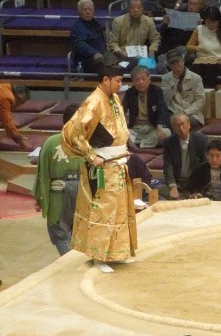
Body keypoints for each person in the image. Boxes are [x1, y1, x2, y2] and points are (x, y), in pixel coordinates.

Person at [61, 65, 137, 272]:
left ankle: (114, 252)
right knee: (103, 210)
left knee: (119, 209)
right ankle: (98, 255)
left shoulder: (114, 98)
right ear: (106, 79)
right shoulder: (93, 102)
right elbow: (74, 132)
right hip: (103, 165)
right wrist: (90, 155)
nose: (121, 84)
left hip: (118, 163)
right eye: (118, 80)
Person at [32, 102, 82, 255]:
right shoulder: (87, 143)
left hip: (57, 195)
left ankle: (71, 265)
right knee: (80, 232)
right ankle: (77, 263)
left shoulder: (50, 143)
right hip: (82, 194)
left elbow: (43, 174)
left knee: (60, 233)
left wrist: (40, 198)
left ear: (63, 122)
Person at [121, 65, 170, 149]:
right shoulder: (130, 92)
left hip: (152, 127)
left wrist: (159, 126)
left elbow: (162, 109)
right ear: (133, 81)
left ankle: (138, 145)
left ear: (149, 79)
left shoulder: (156, 91)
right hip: (136, 128)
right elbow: (122, 110)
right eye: (137, 80)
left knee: (166, 134)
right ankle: (146, 144)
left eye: (143, 79)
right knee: (122, 135)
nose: (140, 82)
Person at [161, 113, 208, 199]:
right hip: (177, 182)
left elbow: (204, 165)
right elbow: (168, 166)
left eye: (183, 124)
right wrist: (173, 187)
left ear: (189, 124)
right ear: (173, 129)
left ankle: (186, 196)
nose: (181, 128)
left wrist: (197, 188)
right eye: (177, 126)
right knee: (159, 190)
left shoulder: (201, 139)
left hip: (194, 182)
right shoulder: (169, 142)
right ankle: (184, 196)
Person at [186, 5, 221, 88]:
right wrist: (196, 48)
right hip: (201, 62)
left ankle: (208, 92)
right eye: (208, 22)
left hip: (219, 64)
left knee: (210, 69)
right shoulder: (199, 29)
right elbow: (188, 47)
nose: (210, 25)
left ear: (218, 21)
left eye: (213, 22)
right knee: (195, 69)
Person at [107, 0, 159, 67]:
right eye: (132, 8)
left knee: (150, 66)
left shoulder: (149, 21)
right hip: (122, 56)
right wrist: (120, 52)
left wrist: (151, 51)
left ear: (143, 9)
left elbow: (155, 40)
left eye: (139, 8)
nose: (136, 10)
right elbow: (113, 42)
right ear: (128, 9)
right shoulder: (118, 21)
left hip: (141, 56)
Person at [160, 47, 206, 129]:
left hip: (192, 114)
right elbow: (166, 99)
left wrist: (185, 112)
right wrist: (174, 80)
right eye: (172, 63)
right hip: (173, 113)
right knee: (168, 122)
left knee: (182, 122)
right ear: (169, 65)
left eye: (178, 61)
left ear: (183, 61)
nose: (176, 65)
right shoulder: (165, 78)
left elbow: (200, 100)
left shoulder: (196, 78)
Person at [69, 0, 107, 74]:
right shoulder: (77, 27)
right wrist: (94, 53)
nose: (88, 12)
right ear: (79, 12)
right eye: (84, 10)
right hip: (86, 61)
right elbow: (79, 44)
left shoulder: (97, 25)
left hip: (101, 58)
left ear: (93, 12)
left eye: (90, 9)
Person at [0, 82, 30, 150]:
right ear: (18, 97)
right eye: (21, 103)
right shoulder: (5, 97)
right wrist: (21, 142)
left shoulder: (4, 88)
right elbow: (7, 123)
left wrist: (15, 135)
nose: (17, 107)